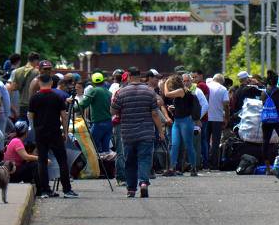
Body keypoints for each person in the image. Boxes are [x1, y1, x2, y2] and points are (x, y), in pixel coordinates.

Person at [112, 66, 165, 198]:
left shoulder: (121, 92)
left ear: (129, 76)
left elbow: (113, 111)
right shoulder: (149, 91)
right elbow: (154, 113)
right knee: (144, 159)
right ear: (140, 76)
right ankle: (143, 183)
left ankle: (131, 189)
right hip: (146, 132)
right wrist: (161, 131)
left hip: (128, 133)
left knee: (129, 161)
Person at [27, 74, 77, 198]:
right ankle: (67, 189)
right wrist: (65, 132)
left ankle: (45, 190)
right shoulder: (57, 97)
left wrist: (35, 128)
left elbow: (30, 116)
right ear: (51, 83)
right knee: (62, 161)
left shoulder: (34, 98)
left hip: (40, 133)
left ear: (39, 82)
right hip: (55, 132)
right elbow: (64, 116)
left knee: (42, 161)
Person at [163, 74, 198, 176]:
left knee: (188, 145)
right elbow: (183, 106)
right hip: (178, 121)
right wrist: (173, 109)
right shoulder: (182, 92)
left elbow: (167, 94)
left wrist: (165, 82)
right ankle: (172, 167)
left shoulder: (182, 91)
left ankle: (193, 167)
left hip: (185, 121)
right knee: (175, 144)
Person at [75, 72, 113, 153]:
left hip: (98, 123)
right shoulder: (109, 92)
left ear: (93, 82)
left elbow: (83, 104)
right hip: (109, 123)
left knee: (92, 146)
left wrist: (72, 108)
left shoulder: (94, 91)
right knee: (106, 149)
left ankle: (96, 165)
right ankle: (106, 165)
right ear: (103, 81)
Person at [206, 73, 230, 171]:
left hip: (205, 118)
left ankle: (205, 163)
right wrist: (227, 117)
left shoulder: (206, 86)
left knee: (205, 141)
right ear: (222, 81)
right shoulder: (223, 89)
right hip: (217, 118)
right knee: (215, 142)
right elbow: (226, 104)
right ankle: (214, 165)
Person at [261, 71, 279, 173]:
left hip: (266, 120)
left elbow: (262, 104)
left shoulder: (264, 92)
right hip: (278, 119)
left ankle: (267, 168)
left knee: (265, 142)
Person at [7, 52, 40, 120]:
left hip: (21, 104)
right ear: (36, 60)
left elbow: (12, 88)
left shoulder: (17, 71)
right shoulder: (37, 72)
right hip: (32, 104)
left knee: (22, 126)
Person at [5, 120, 38, 185]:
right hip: (12, 173)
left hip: (12, 171)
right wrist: (41, 158)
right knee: (34, 164)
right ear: (26, 132)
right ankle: (39, 189)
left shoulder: (15, 140)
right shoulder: (17, 141)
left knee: (30, 163)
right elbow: (26, 157)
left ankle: (30, 184)